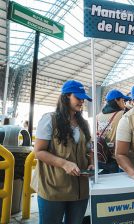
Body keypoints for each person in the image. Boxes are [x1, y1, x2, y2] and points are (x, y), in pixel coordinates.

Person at [34, 80, 94, 224]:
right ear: (66, 96)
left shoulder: (83, 123)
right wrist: (64, 164)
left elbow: (88, 150)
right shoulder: (49, 119)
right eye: (78, 97)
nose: (82, 101)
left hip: (80, 189)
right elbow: (39, 152)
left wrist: (91, 163)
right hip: (53, 188)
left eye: (83, 98)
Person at [96, 89, 131, 173]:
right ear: (116, 100)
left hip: (101, 158)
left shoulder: (97, 116)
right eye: (123, 100)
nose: (124, 103)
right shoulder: (123, 114)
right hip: (116, 159)